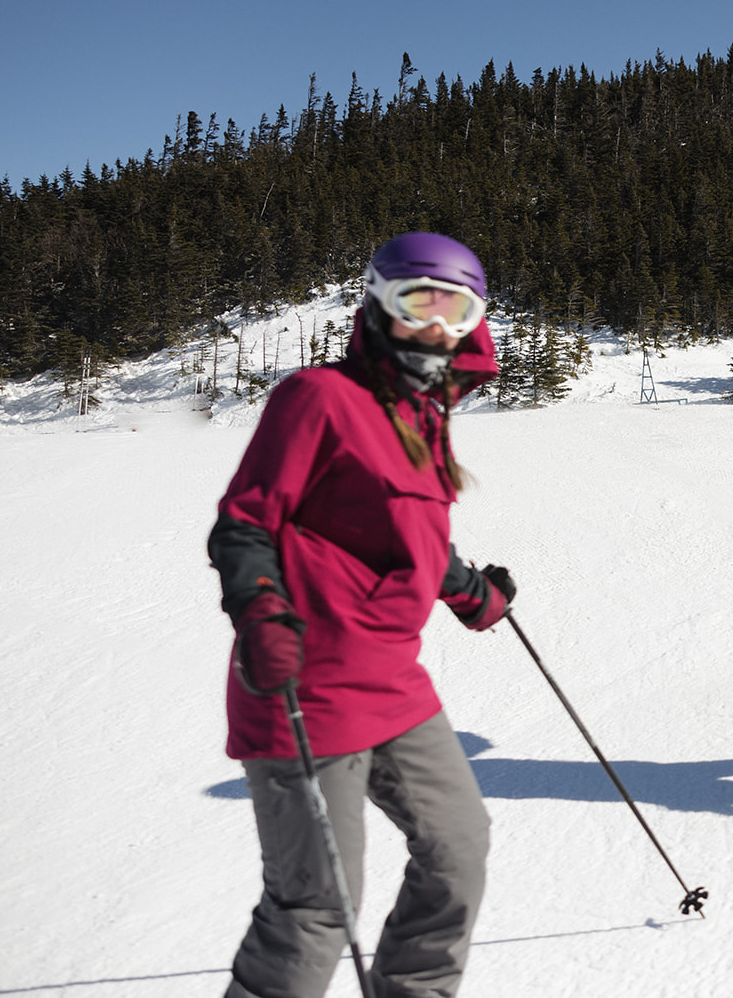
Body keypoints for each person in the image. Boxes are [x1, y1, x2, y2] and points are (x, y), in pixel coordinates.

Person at [209, 232, 517, 998]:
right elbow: (245, 523)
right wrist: (261, 613)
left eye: (458, 311)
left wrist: (473, 593)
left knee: (458, 849)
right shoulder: (319, 397)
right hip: (301, 682)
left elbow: (408, 537)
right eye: (420, 303)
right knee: (316, 907)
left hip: (393, 684)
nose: (436, 328)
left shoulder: (424, 419)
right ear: (380, 299)